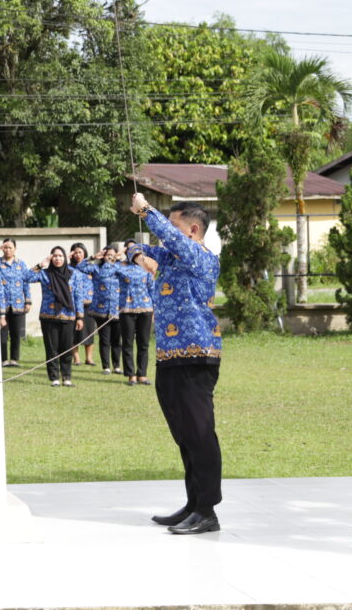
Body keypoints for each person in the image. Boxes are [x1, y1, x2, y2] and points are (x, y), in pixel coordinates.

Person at [130, 194, 223, 535]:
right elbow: (136, 249)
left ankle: (207, 510)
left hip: (196, 355)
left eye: (174, 225)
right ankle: (193, 503)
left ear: (193, 229)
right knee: (184, 435)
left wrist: (145, 209)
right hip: (169, 356)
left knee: (199, 433)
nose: (167, 231)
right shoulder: (172, 257)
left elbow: (167, 239)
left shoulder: (201, 257)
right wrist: (134, 252)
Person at [23, 246, 84, 387]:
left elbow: (78, 296)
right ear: (51, 258)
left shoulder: (74, 274)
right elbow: (25, 277)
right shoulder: (45, 274)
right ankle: (54, 377)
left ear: (65, 258)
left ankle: (66, 377)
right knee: (52, 349)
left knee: (67, 348)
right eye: (55, 256)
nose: (57, 259)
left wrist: (80, 317)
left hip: (68, 316)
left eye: (60, 256)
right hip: (48, 316)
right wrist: (40, 265)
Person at [76, 246, 123, 378]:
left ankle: (117, 366)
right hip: (101, 310)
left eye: (113, 255)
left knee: (116, 340)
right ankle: (106, 366)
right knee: (105, 340)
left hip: (117, 310)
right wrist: (92, 257)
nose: (110, 257)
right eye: (108, 254)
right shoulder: (96, 268)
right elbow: (80, 267)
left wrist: (121, 260)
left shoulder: (120, 268)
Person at [117, 240, 155, 385]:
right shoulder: (121, 266)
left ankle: (142, 374)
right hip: (127, 309)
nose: (133, 251)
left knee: (143, 343)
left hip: (145, 309)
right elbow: (105, 272)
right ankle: (131, 374)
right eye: (130, 249)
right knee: (127, 343)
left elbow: (152, 288)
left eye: (136, 249)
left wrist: (155, 309)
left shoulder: (146, 267)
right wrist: (117, 256)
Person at [0, 239, 31, 367]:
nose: (7, 250)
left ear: (15, 249)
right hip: (2, 304)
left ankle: (14, 359)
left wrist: (28, 301)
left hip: (18, 304)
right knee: (2, 334)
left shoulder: (21, 264)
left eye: (10, 248)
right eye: (5, 247)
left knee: (16, 334)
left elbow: (26, 282)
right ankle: (3, 359)